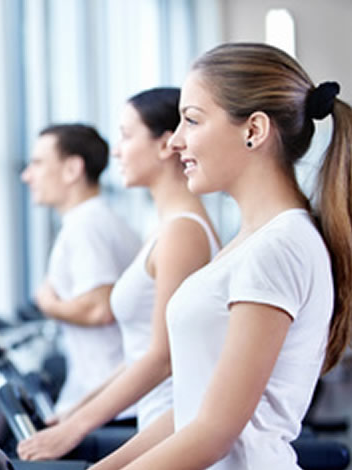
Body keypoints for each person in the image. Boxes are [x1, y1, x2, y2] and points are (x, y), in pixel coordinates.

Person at [91, 42, 352, 470]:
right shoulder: (255, 239)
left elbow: (213, 433)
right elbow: (196, 410)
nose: (176, 142)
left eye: (191, 120)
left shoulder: (279, 247)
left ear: (254, 130)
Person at [18, 88, 220, 461]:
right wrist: (76, 410)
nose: (116, 152)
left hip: (169, 427)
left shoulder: (181, 233)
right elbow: (141, 353)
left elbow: (162, 357)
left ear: (165, 145)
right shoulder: (165, 229)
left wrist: (75, 429)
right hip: (154, 418)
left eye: (127, 136)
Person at [20, 124, 141, 418]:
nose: (27, 176)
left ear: (73, 168)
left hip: (112, 404)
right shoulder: (100, 220)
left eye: (37, 163)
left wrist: (47, 304)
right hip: (109, 396)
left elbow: (98, 309)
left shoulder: (86, 226)